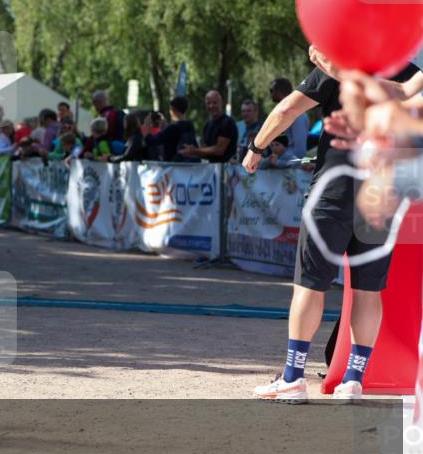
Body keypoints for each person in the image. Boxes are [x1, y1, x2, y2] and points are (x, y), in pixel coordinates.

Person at [246, 45, 421, 403]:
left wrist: (256, 147)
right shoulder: (409, 74)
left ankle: (293, 378)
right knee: (368, 291)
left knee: (310, 285)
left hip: (334, 192)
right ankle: (354, 381)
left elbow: (287, 109)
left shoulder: (336, 64)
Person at [179, 89, 237, 163]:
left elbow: (219, 150)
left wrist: (195, 151)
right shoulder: (207, 124)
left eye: (214, 103)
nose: (211, 106)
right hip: (212, 168)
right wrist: (190, 153)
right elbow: (207, 151)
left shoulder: (227, 122)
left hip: (227, 168)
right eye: (208, 103)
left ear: (221, 102)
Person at [145, 96, 199, 162]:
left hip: (173, 165)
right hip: (187, 165)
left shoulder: (172, 128)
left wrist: (147, 126)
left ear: (172, 109)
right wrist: (165, 128)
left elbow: (151, 141)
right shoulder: (190, 125)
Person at [271, 78, 309, 158]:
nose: (271, 93)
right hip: (286, 161)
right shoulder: (286, 112)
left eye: (271, 90)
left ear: (279, 91)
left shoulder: (297, 115)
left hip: (293, 164)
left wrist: (279, 162)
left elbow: (300, 152)